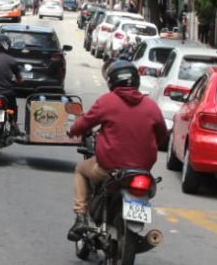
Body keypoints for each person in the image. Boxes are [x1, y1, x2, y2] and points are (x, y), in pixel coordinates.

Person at [65, 60, 167, 239]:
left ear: (112, 81)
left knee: (80, 170)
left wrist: (73, 130)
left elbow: (84, 122)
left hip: (109, 169)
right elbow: (162, 136)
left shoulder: (107, 101)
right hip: (142, 172)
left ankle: (80, 216)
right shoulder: (151, 106)